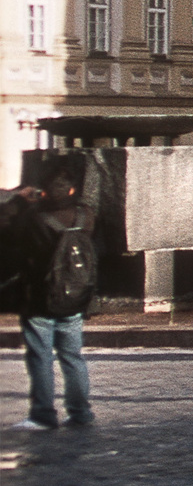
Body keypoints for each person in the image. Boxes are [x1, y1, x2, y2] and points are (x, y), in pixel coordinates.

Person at [4, 177, 98, 430]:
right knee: (73, 357)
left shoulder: (35, 218)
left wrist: (19, 201)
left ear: (43, 193)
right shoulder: (84, 216)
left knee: (41, 357)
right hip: (74, 296)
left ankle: (43, 415)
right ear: (71, 190)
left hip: (40, 298)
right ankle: (81, 412)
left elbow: (8, 232)